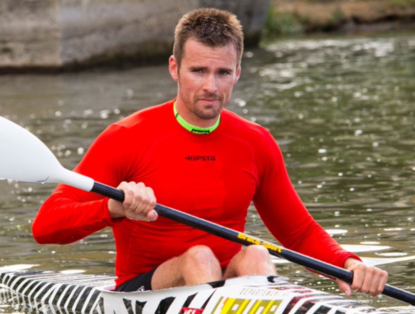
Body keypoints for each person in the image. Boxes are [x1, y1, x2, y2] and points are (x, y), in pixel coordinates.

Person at [32, 8, 388, 296]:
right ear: (175, 68)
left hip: (229, 290)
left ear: (237, 74)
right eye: (198, 70)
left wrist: (349, 264)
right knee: (199, 258)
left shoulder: (255, 142)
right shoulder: (126, 137)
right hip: (143, 291)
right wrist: (114, 207)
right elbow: (45, 226)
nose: (210, 86)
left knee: (256, 255)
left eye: (222, 73)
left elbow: (298, 234)